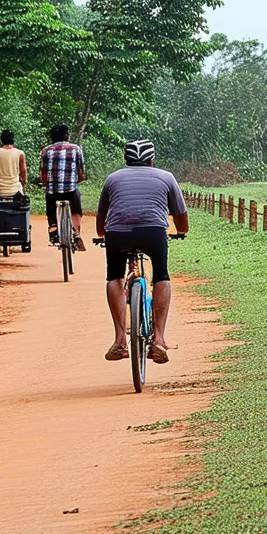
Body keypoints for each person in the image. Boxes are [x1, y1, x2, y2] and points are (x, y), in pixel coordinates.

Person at [96, 139, 188, 364]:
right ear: (152, 160)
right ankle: (158, 339)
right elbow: (180, 215)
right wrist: (181, 231)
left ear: (126, 159)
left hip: (117, 234)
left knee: (114, 277)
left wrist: (102, 235)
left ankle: (119, 340)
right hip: (153, 233)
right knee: (161, 276)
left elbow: (101, 221)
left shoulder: (112, 178)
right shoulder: (166, 177)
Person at [40, 124, 87, 251]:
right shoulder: (76, 149)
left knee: (50, 203)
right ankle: (76, 233)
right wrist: (79, 179)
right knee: (76, 203)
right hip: (70, 190)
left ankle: (53, 227)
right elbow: (81, 172)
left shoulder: (46, 151)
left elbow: (43, 176)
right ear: (66, 135)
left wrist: (45, 181)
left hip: (53, 191)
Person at [0, 130, 27, 198]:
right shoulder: (20, 153)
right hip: (16, 191)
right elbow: (23, 172)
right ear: (13, 140)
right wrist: (24, 186)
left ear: (1, 140)